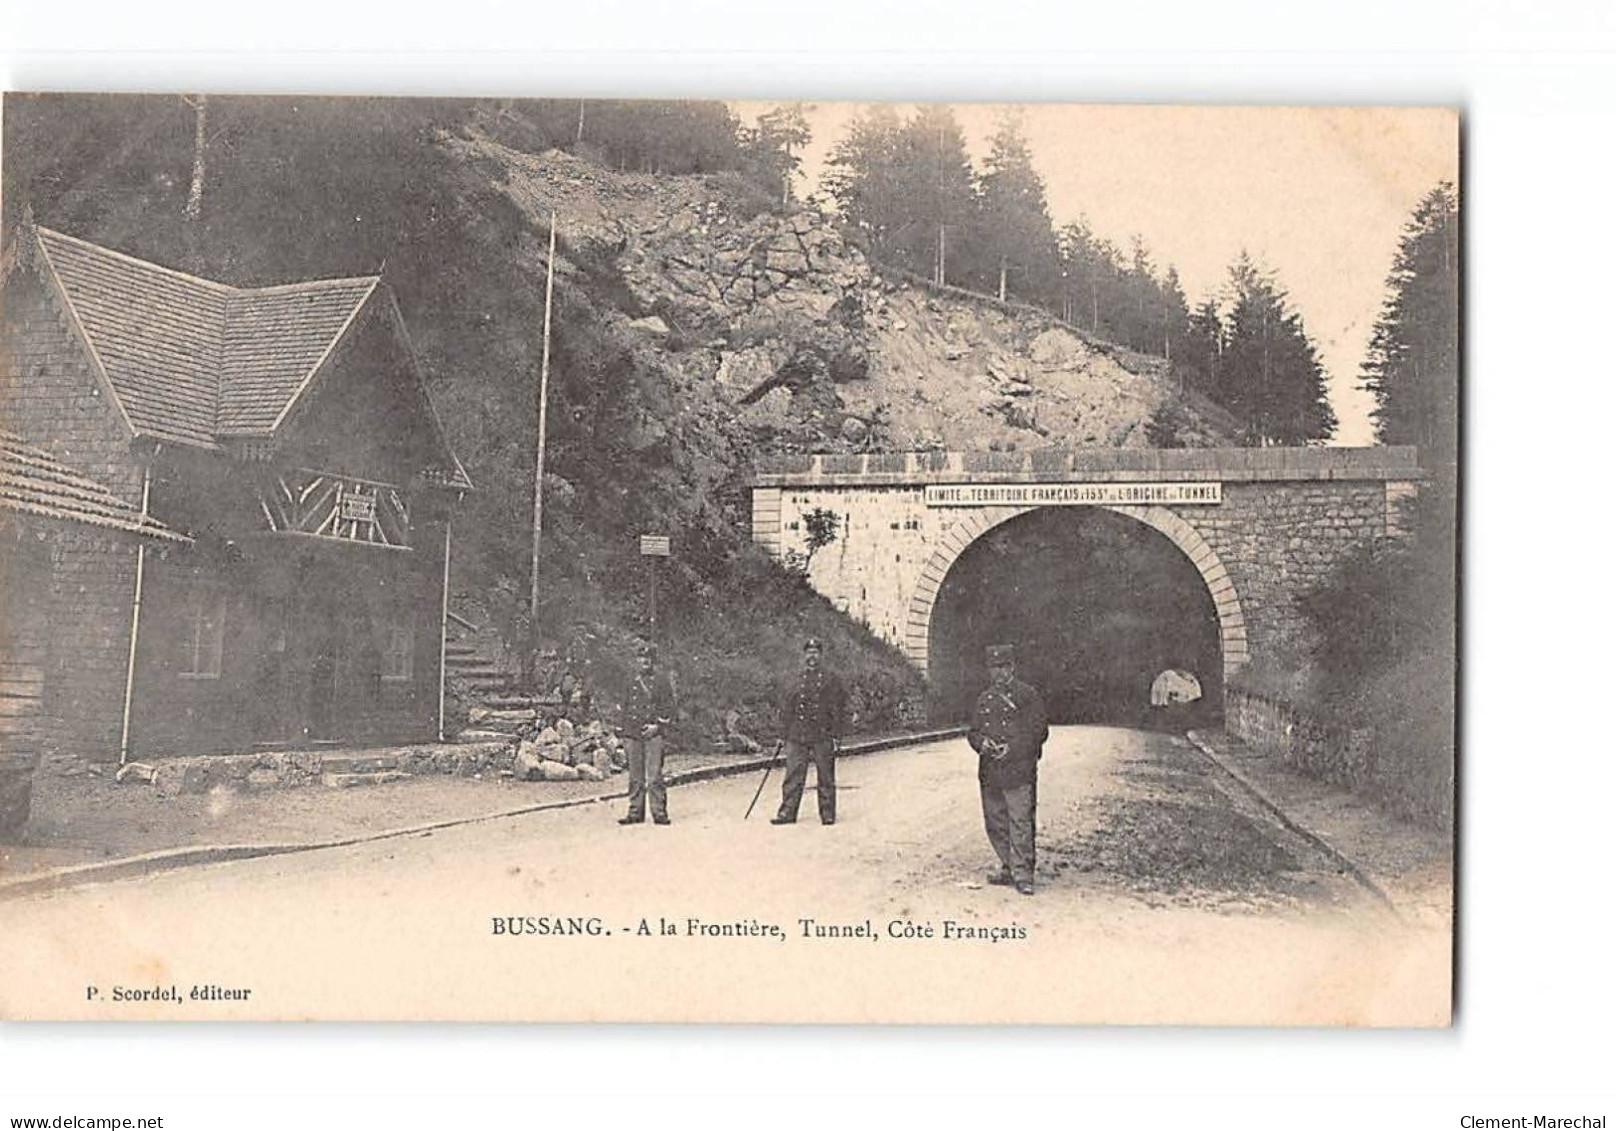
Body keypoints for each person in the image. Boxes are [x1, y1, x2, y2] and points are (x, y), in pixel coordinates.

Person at [967, 644, 1049, 896]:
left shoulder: (1027, 695)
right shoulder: (985, 699)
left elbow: (1039, 731)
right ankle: (1008, 866)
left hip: (1018, 769)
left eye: (1003, 667)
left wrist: (1012, 749)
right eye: (993, 668)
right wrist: (983, 744)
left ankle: (1023, 874)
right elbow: (973, 732)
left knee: (1020, 822)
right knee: (996, 821)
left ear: (1012, 667)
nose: (998, 673)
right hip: (991, 771)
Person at [772, 637, 848, 826]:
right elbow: (787, 708)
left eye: (815, 653)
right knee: (793, 775)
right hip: (797, 735)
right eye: (809, 652)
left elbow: (838, 709)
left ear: (820, 655)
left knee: (825, 775)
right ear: (804, 655)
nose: (812, 656)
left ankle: (828, 813)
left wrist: (837, 735)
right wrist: (782, 735)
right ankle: (787, 813)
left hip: (822, 734)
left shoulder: (831, 679)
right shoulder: (796, 679)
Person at [618, 643, 676, 826]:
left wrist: (657, 727)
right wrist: (624, 731)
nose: (645, 661)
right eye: (641, 658)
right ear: (636, 660)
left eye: (648, 658)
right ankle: (635, 812)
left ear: (653, 661)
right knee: (635, 776)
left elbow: (670, 709)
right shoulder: (629, 681)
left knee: (654, 776)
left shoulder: (661, 682)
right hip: (633, 732)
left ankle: (659, 812)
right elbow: (624, 706)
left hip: (653, 732)